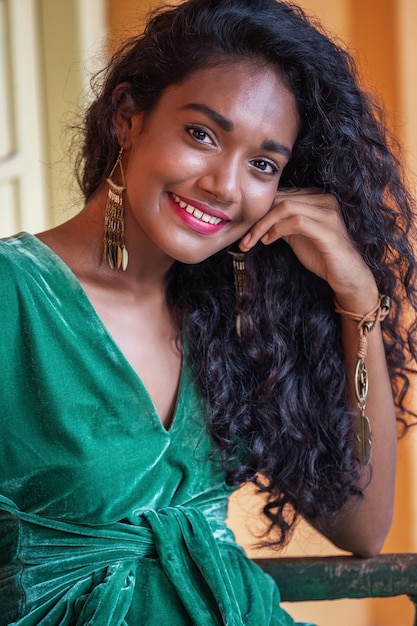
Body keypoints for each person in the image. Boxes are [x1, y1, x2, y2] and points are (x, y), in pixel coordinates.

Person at [0, 0, 416, 623]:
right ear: (128, 117)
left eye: (262, 165)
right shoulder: (14, 296)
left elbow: (361, 526)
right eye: (202, 134)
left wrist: (357, 303)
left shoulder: (237, 322)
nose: (224, 185)